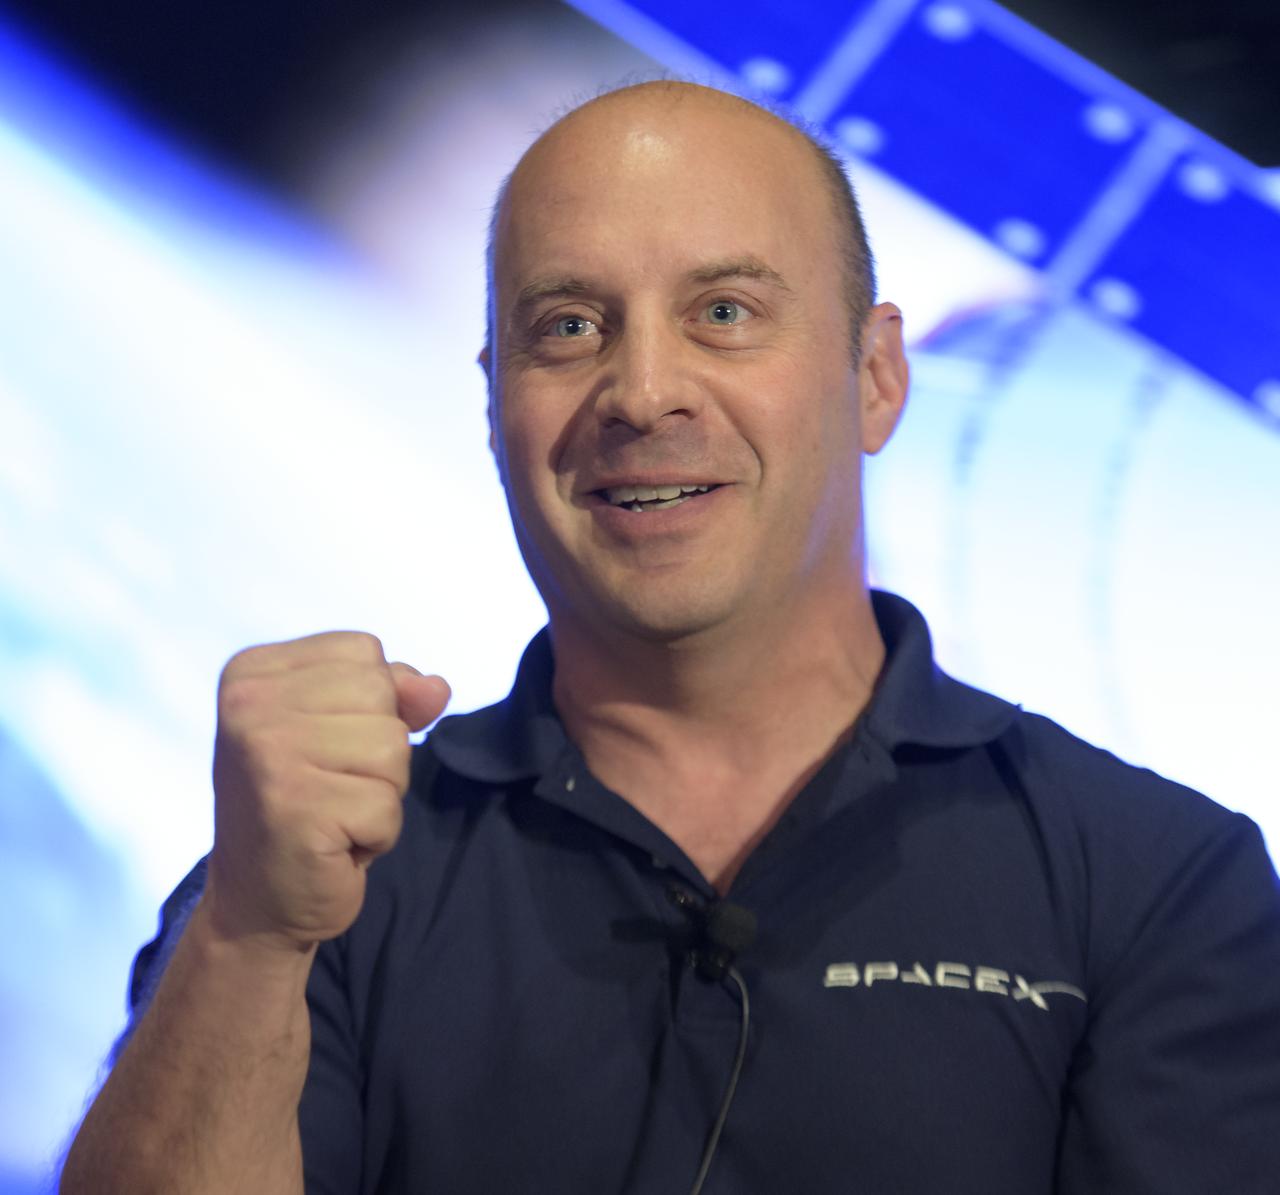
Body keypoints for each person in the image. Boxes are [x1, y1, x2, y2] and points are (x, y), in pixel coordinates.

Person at [61, 80, 1280, 1194]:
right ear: (494, 403)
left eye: (723, 310)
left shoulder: (1153, 880)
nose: (641, 392)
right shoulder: (315, 884)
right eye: (569, 328)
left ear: (873, 376)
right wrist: (250, 936)